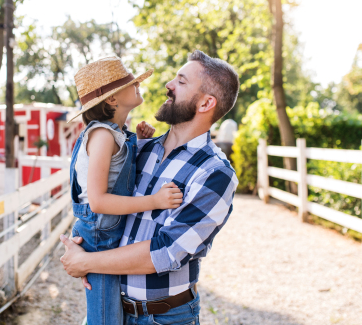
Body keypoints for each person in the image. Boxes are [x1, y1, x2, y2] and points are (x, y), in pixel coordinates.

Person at [61, 50, 240, 325]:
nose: (168, 85)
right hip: (113, 308)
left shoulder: (215, 173)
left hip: (163, 317)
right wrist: (84, 244)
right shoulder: (140, 149)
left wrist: (87, 262)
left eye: (180, 82)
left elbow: (167, 251)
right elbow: (100, 203)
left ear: (206, 103)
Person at [67, 56, 184, 325]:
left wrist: (139, 143)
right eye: (131, 83)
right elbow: (97, 201)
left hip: (105, 232)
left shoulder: (117, 133)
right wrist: (154, 201)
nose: (137, 85)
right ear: (111, 100)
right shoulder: (103, 136)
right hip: (100, 234)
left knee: (110, 313)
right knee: (105, 318)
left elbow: (116, 175)